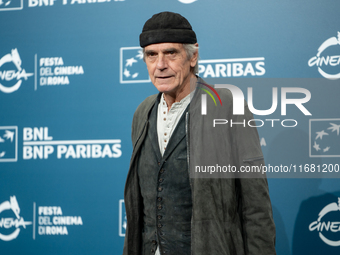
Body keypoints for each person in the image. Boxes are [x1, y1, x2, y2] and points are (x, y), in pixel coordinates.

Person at [123, 11, 276, 255]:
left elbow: (255, 205)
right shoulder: (143, 113)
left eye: (170, 53)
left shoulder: (227, 105)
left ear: (192, 56)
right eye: (151, 55)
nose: (160, 65)